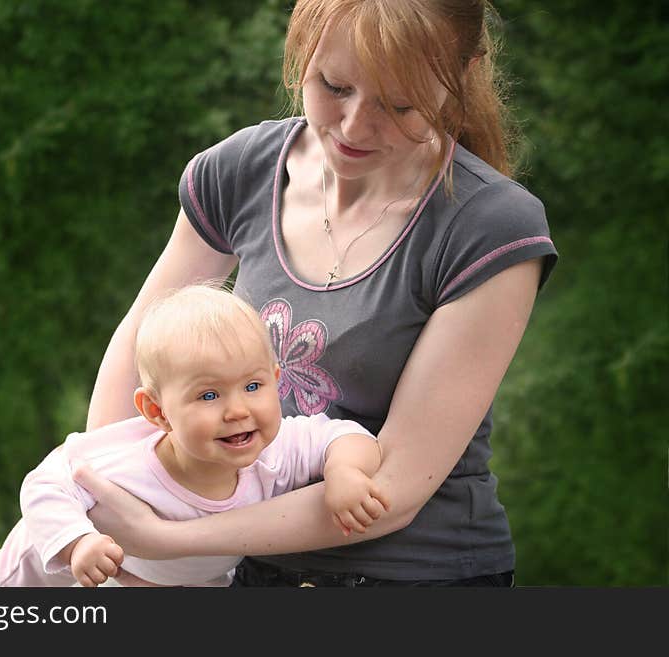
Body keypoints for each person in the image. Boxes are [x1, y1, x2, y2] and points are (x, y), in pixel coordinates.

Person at [74, 0, 559, 587]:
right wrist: (103, 503)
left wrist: (167, 539)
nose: (354, 126)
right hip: (244, 573)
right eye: (334, 86)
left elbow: (394, 487)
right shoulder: (241, 170)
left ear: (460, 75)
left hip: (413, 576)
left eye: (398, 104)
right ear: (301, 52)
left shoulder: (491, 227)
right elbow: (141, 348)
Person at [0, 285, 385, 587]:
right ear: (158, 412)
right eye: (208, 394)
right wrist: (78, 543)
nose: (237, 409)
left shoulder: (276, 450)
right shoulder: (124, 465)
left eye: (253, 386)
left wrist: (345, 472)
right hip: (36, 578)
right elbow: (45, 484)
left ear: (276, 381)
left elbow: (342, 434)